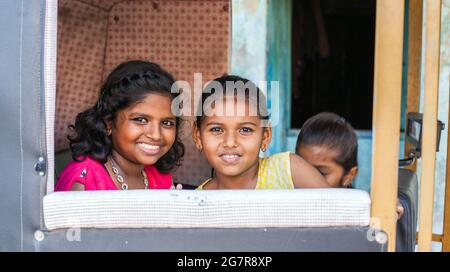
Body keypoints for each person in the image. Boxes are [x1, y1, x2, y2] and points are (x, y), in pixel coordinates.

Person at [55, 60, 184, 191]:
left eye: (167, 123)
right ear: (109, 123)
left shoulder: (161, 178)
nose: (156, 135)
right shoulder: (85, 180)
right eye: (141, 119)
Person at [192, 75, 330, 190]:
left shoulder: (287, 171)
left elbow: (339, 211)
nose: (230, 142)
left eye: (245, 130)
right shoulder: (196, 201)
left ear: (265, 136)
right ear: (198, 136)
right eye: (216, 129)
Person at [295, 112, 403, 218]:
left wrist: (379, 205)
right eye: (301, 170)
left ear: (349, 176)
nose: (307, 177)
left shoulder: (362, 217)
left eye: (321, 173)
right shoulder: (288, 202)